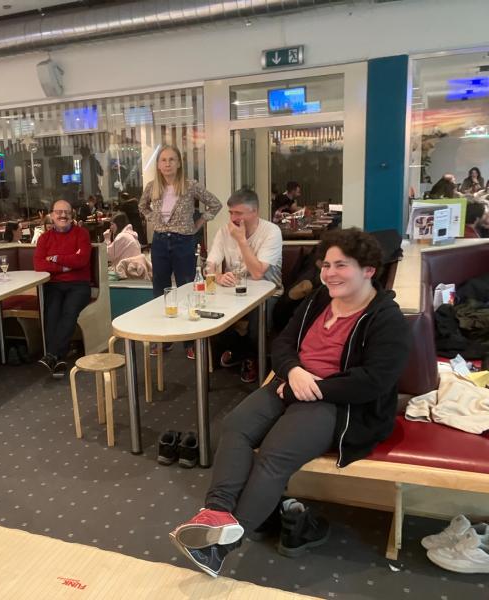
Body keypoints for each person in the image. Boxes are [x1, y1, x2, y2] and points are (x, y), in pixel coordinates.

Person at [169, 228, 411, 578]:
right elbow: (281, 344)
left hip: (338, 403)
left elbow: (373, 382)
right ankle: (216, 513)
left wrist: (307, 387)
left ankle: (219, 548)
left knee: (274, 455)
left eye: (341, 265)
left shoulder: (386, 318)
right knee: (235, 427)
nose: (330, 273)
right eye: (326, 265)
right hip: (290, 383)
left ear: (368, 270)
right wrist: (293, 371)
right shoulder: (318, 300)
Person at [138, 145, 222, 359]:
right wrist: (153, 219)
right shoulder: (152, 187)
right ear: (158, 165)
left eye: (172, 159)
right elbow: (142, 207)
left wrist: (199, 222)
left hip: (183, 241)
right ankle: (163, 340)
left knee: (187, 288)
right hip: (159, 242)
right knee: (160, 290)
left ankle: (189, 342)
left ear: (179, 163)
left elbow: (215, 204)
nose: (167, 164)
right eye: (163, 160)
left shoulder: (190, 185)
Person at [206, 189, 283, 382]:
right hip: (234, 293)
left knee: (257, 326)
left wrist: (241, 240)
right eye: (231, 213)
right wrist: (218, 276)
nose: (233, 218)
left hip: (268, 293)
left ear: (254, 211)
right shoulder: (224, 231)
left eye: (239, 213)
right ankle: (242, 353)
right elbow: (209, 266)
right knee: (210, 319)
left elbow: (257, 273)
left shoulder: (271, 232)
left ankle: (251, 358)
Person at [34, 200, 92, 378]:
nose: (63, 215)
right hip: (54, 284)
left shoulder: (82, 234)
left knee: (69, 312)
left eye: (66, 212)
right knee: (52, 314)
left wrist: (55, 258)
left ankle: (52, 355)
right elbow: (39, 265)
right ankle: (58, 358)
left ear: (71, 214)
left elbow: (81, 260)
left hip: (79, 285)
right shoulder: (44, 238)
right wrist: (67, 265)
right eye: (59, 212)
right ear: (52, 215)